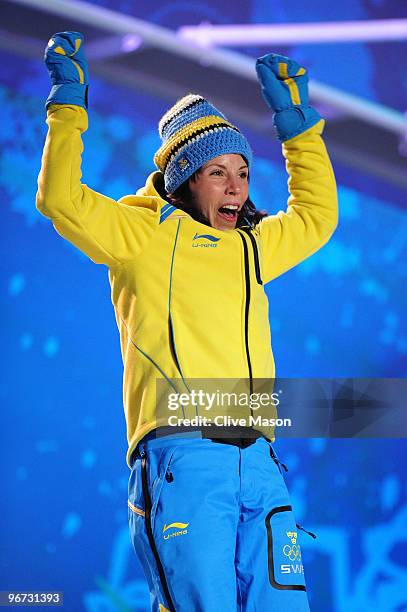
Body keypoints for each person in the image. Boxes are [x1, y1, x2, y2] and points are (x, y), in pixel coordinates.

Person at [37, 31, 338, 612]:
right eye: (217, 172)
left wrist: (298, 129)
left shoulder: (253, 246)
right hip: (184, 459)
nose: (236, 186)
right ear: (184, 178)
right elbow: (61, 200)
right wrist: (68, 105)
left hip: (261, 464)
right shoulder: (142, 236)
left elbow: (317, 217)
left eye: (244, 173)